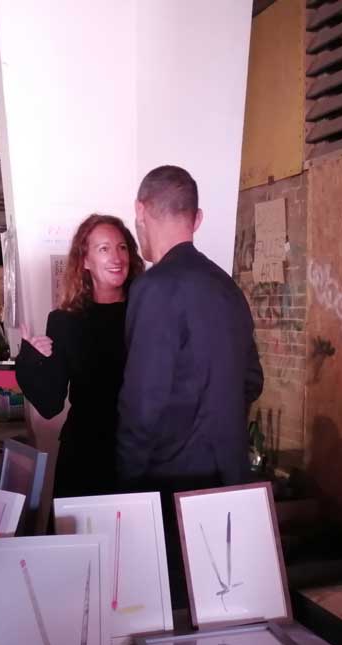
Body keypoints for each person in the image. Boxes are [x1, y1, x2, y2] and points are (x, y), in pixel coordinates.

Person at [116, 166, 263, 606]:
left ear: (140, 210)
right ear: (196, 219)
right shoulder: (228, 288)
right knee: (219, 601)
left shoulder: (154, 288)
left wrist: (124, 483)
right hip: (229, 475)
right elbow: (252, 380)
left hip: (168, 482)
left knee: (167, 608)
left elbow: (144, 402)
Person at [16, 214, 144, 497]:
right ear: (85, 260)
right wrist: (30, 359)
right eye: (104, 249)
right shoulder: (64, 321)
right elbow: (50, 404)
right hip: (86, 454)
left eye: (122, 247)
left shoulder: (148, 313)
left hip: (142, 453)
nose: (116, 258)